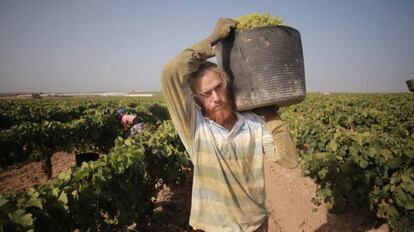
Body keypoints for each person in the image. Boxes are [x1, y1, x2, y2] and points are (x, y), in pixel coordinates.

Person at [161, 18, 298, 232]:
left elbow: (289, 160)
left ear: (228, 86)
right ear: (197, 100)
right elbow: (170, 73)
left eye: (219, 87)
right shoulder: (195, 128)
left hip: (256, 226)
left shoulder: (254, 124)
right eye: (207, 93)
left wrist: (271, 115)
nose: (216, 98)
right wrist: (212, 41)